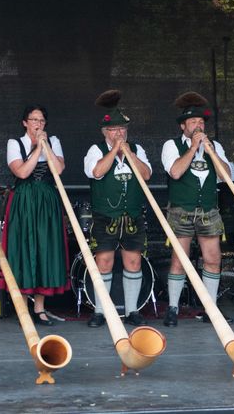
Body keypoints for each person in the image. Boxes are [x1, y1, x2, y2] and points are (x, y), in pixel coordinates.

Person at [159, 92, 232, 327]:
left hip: (208, 209)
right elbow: (176, 172)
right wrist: (192, 148)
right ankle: (173, 308)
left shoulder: (215, 146)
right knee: (180, 260)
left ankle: (210, 308)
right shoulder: (172, 145)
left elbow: (227, 177)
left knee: (212, 259)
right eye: (193, 123)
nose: (198, 126)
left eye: (201, 123)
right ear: (183, 126)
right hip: (181, 209)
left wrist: (211, 151)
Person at [83, 90, 152, 328]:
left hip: (132, 215)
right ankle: (101, 311)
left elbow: (147, 175)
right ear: (106, 132)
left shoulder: (137, 149)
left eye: (122, 129)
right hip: (106, 216)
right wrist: (114, 150)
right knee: (103, 261)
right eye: (114, 130)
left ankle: (132, 311)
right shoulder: (96, 150)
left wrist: (129, 153)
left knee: (133, 261)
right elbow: (97, 172)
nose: (119, 133)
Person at [2, 105, 69, 325]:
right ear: (25, 123)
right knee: (22, 249)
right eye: (33, 120)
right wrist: (37, 150)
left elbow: (58, 169)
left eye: (41, 120)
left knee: (44, 249)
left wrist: (45, 146)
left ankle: (40, 307)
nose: (37, 124)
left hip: (47, 201)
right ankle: (22, 307)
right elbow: (21, 172)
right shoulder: (15, 143)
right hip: (24, 201)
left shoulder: (54, 141)